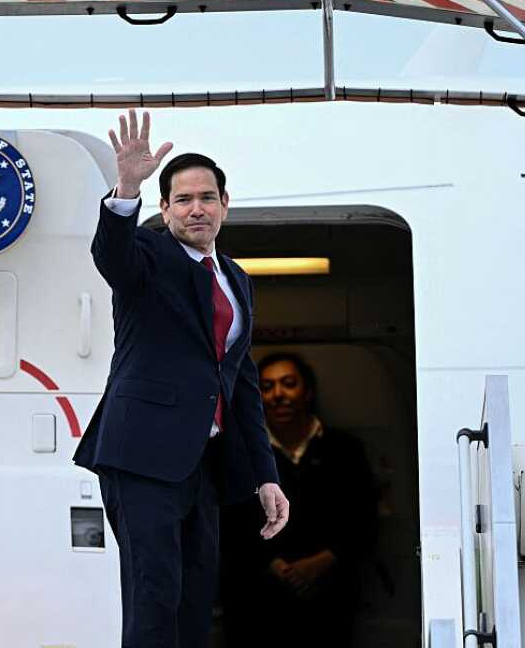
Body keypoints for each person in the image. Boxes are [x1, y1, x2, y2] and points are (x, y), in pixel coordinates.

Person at [73, 109, 289, 648]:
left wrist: (266, 475)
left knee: (195, 602)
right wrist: (126, 187)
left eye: (207, 197)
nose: (197, 209)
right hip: (142, 455)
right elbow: (112, 256)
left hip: (204, 464)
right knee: (154, 594)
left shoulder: (236, 278)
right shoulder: (148, 255)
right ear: (165, 207)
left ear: (225, 204)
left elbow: (240, 386)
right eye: (184, 199)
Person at [221, 352, 377, 647]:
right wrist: (277, 567)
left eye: (288, 384)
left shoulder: (345, 450)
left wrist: (321, 563)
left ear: (307, 392)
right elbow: (230, 524)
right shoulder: (242, 454)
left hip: (330, 603)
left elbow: (363, 518)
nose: (277, 394)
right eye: (266, 387)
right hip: (256, 606)